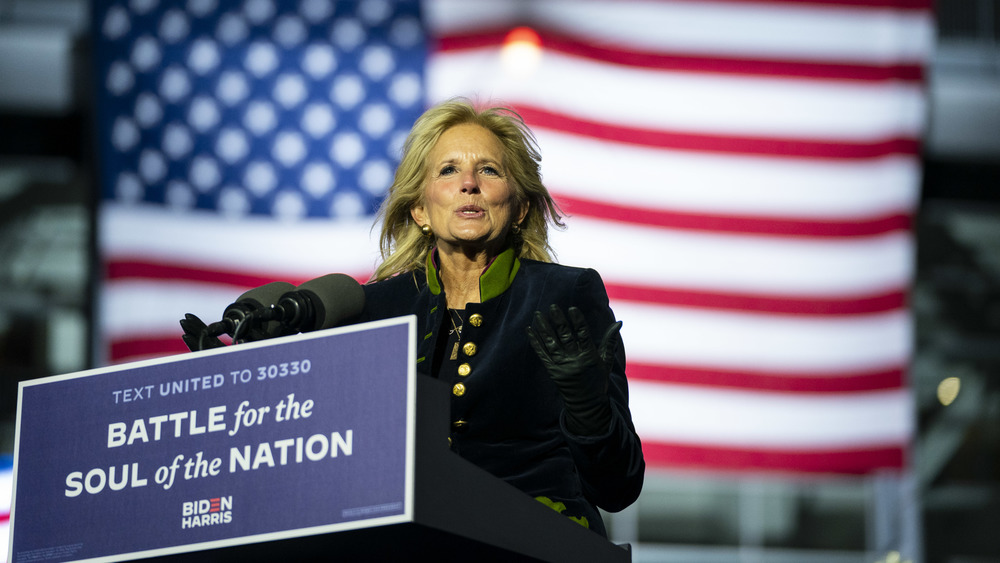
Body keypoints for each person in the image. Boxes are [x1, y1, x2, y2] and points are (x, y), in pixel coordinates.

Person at [356, 99, 644, 537]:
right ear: (419, 209)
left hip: (540, 539)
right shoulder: (375, 310)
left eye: (489, 170)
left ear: (520, 208)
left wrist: (589, 408)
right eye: (448, 170)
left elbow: (619, 487)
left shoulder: (566, 295)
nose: (468, 183)